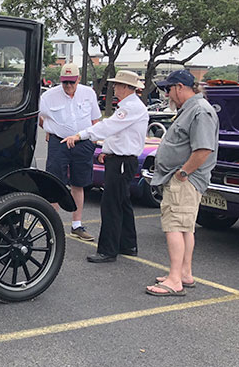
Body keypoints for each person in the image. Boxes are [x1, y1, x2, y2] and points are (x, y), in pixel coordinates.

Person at [61, 70, 149, 262]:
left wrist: (80, 135)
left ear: (125, 87)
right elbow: (118, 133)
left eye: (117, 84)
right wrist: (107, 150)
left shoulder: (130, 107)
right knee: (122, 202)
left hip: (122, 161)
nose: (114, 88)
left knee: (111, 205)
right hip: (120, 159)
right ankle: (127, 244)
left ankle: (108, 250)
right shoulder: (130, 106)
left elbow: (108, 127)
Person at [146, 70, 218, 296]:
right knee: (185, 227)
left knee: (174, 226)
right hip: (183, 179)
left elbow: (203, 149)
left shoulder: (200, 111)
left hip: (185, 180)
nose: (167, 94)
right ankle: (184, 273)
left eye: (168, 89)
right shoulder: (192, 109)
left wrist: (183, 173)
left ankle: (174, 280)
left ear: (179, 87)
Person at [39, 63, 101, 241]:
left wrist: (93, 141)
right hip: (59, 142)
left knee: (79, 183)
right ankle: (52, 225)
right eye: (65, 82)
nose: (68, 86)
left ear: (78, 79)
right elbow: (39, 116)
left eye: (71, 82)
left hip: (82, 142)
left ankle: (77, 225)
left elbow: (95, 119)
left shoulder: (88, 93)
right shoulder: (49, 96)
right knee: (54, 182)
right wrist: (49, 128)